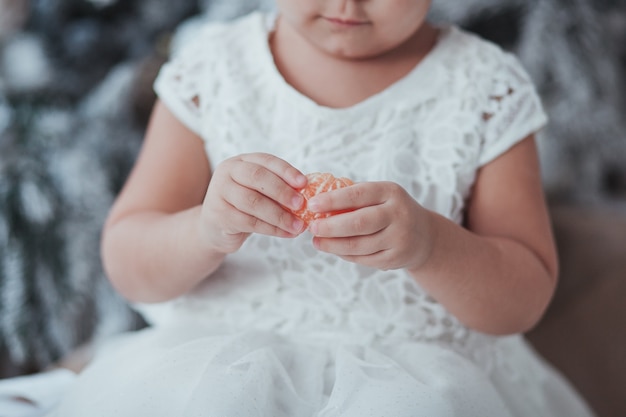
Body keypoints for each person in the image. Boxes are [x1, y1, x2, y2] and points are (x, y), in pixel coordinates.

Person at [49, 1, 595, 416]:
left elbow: (522, 298)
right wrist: (205, 228)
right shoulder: (216, 72)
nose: (347, 4)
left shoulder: (484, 88)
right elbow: (129, 262)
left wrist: (431, 243)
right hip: (218, 365)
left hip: (420, 377)